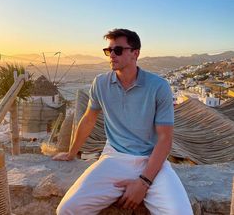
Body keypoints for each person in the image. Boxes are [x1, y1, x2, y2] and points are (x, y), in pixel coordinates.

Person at [53, 28, 193, 215]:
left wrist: (143, 182)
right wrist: (71, 153)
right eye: (108, 50)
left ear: (135, 53)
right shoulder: (100, 84)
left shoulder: (158, 87)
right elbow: (88, 120)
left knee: (181, 212)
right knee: (68, 209)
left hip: (151, 161)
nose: (111, 55)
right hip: (115, 157)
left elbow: (165, 139)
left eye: (117, 50)